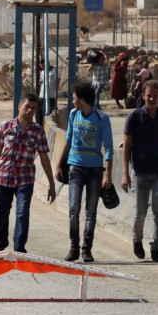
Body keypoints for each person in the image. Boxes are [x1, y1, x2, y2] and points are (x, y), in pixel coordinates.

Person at [0, 93, 56, 253]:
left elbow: (44, 158)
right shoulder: (4, 127)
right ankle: (1, 244)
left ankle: (19, 249)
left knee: (22, 213)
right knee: (2, 214)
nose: (29, 111)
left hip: (25, 180)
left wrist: (52, 184)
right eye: (27, 107)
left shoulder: (38, 131)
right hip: (3, 178)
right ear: (19, 106)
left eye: (33, 108)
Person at [56, 82, 114, 263]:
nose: (72, 101)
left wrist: (108, 175)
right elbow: (68, 139)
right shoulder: (73, 115)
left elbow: (109, 148)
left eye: (74, 98)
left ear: (82, 100)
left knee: (91, 211)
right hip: (76, 168)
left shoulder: (102, 118)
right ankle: (74, 248)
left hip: (95, 171)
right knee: (74, 209)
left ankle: (86, 249)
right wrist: (59, 163)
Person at [122, 81, 158, 262]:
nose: (152, 99)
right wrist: (125, 173)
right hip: (140, 172)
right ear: (143, 96)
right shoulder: (134, 117)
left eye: (155, 96)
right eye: (149, 95)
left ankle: (155, 247)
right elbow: (126, 147)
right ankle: (137, 239)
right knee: (140, 212)